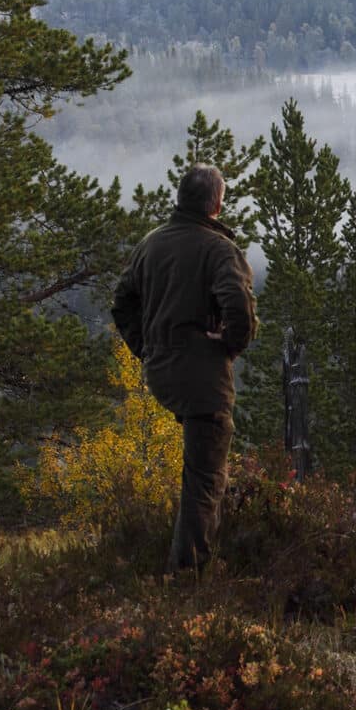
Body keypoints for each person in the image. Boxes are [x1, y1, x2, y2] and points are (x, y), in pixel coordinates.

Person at [110, 163, 257, 573]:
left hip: (161, 372)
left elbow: (122, 303)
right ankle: (188, 577)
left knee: (200, 470)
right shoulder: (218, 250)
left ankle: (188, 563)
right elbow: (239, 310)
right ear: (215, 203)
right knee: (205, 479)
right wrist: (228, 345)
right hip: (201, 379)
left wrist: (147, 348)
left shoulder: (150, 244)